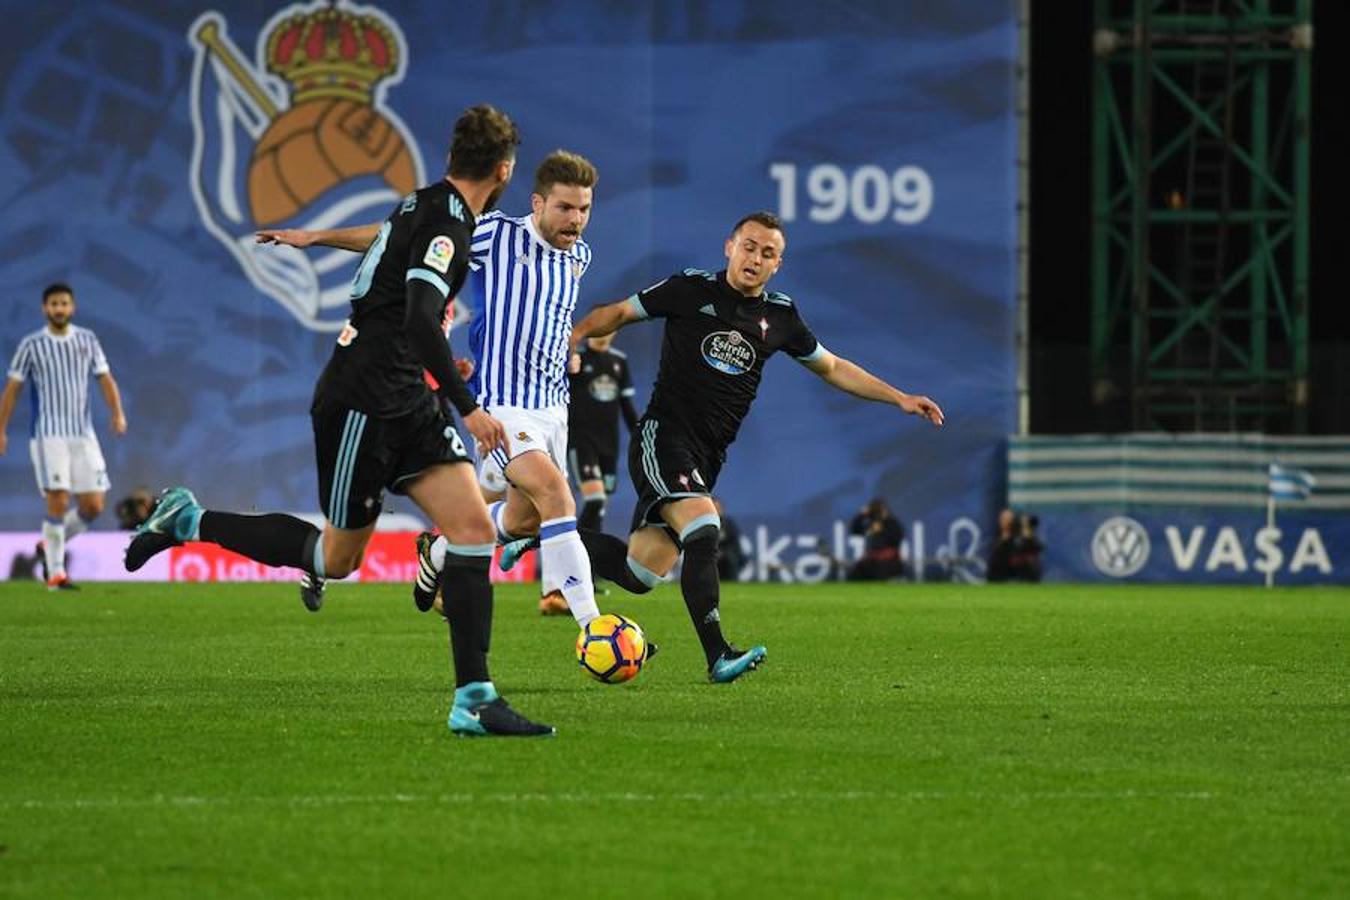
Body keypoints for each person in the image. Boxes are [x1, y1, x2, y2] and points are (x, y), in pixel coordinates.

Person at [125, 104, 553, 737]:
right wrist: (470, 407)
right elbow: (416, 314)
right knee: (337, 556)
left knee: (469, 529)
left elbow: (387, 248)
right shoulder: (446, 221)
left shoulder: (425, 204)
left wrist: (315, 237)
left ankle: (475, 699)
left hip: (404, 395)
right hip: (364, 398)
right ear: (505, 169)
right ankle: (188, 518)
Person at [556, 211, 945, 682]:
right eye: (749, 246)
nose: (755, 259)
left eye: (767, 253)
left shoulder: (780, 316)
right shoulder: (690, 289)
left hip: (707, 456)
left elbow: (834, 366)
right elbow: (616, 313)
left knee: (640, 576)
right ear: (729, 246)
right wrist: (573, 338)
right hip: (664, 436)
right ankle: (717, 655)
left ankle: (538, 532)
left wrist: (899, 398)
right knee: (704, 526)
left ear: (778, 264)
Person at [270, 152, 609, 626]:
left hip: (555, 408)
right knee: (557, 495)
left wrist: (565, 352)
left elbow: (546, 315)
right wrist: (317, 238)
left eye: (584, 209)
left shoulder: (580, 257)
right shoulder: (498, 234)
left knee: (522, 521)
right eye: (565, 208)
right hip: (503, 406)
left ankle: (439, 551)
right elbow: (399, 239)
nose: (576, 220)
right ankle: (596, 627)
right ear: (538, 203)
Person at [0, 283, 127, 589]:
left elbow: (105, 378)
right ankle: (56, 573)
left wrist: (117, 412)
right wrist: (1, 429)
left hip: (83, 435)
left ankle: (49, 545)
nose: (59, 308)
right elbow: (13, 389)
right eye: (54, 304)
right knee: (58, 499)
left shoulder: (87, 340)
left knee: (94, 505)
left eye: (64, 303)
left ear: (73, 307)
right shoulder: (31, 345)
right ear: (45, 308)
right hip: (48, 436)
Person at [567, 332, 638, 535]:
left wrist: (640, 435)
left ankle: (590, 556)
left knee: (600, 506)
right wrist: (570, 368)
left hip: (609, 444)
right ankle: (580, 546)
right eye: (599, 328)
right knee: (595, 499)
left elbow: (627, 406)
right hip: (581, 441)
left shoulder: (619, 361)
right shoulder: (576, 359)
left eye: (608, 328)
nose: (603, 333)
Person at [846, 497, 904, 581]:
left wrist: (882, 531)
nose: (877, 514)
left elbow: (896, 539)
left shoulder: (892, 523)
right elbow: (855, 531)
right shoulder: (871, 524)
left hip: (889, 561)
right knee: (854, 575)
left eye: (878, 510)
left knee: (880, 574)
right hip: (871, 561)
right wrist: (861, 515)